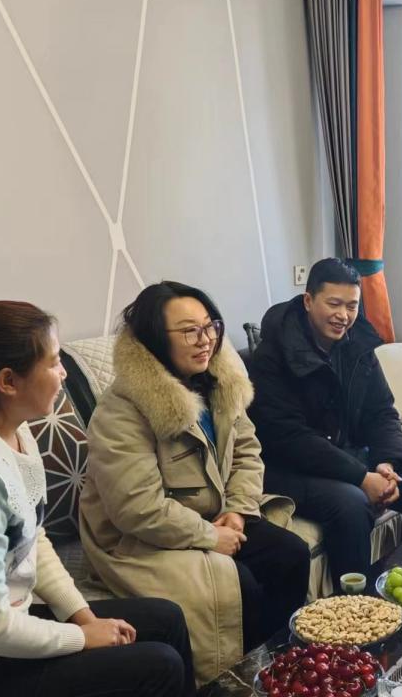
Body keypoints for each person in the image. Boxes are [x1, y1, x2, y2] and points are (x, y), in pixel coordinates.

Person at [0, 302, 194, 697]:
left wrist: (82, 615)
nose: (63, 373)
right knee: (159, 665)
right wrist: (82, 638)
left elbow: (31, 540)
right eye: (54, 361)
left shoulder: (14, 431)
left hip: (4, 630)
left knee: (166, 618)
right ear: (8, 382)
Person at [78, 282, 310, 684]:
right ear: (154, 339)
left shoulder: (218, 383)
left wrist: (238, 511)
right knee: (239, 584)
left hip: (217, 516)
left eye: (210, 326)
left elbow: (247, 452)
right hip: (142, 539)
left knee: (291, 553)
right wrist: (209, 536)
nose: (206, 340)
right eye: (189, 331)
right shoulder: (121, 411)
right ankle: (236, 682)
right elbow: (136, 508)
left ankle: (278, 670)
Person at [248, 258, 402, 585]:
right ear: (309, 300)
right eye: (334, 304)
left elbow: (381, 411)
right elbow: (290, 438)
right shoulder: (273, 355)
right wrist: (360, 477)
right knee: (351, 504)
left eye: (352, 306)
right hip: (287, 468)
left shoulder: (357, 346)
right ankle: (357, 604)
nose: (343, 315)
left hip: (345, 456)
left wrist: (386, 463)